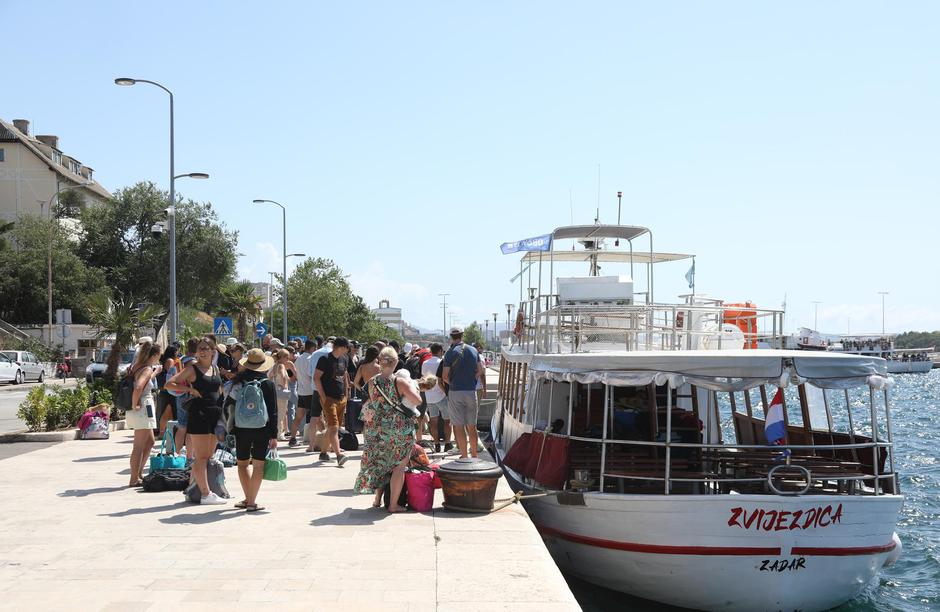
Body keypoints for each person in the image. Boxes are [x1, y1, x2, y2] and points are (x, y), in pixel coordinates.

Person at [354, 346, 422, 512]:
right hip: (399, 429)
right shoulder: (400, 382)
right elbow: (418, 400)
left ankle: (377, 499)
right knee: (398, 466)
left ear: (379, 361)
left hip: (376, 429)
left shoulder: (371, 382)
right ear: (396, 362)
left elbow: (372, 403)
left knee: (381, 463)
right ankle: (393, 505)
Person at [165, 337, 226, 505]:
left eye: (206, 348)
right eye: (200, 348)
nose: (203, 351)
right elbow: (169, 384)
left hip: (215, 414)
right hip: (199, 414)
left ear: (213, 351)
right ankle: (206, 494)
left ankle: (196, 490)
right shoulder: (192, 369)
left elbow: (218, 389)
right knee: (200, 457)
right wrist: (188, 389)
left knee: (209, 456)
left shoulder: (215, 369)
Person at [226, 348, 279, 512]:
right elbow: (273, 411)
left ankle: (248, 498)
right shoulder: (268, 384)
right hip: (262, 428)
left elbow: (229, 408)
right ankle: (251, 502)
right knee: (258, 466)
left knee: (242, 464)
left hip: (241, 428)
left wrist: (230, 429)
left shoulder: (238, 383)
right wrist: (274, 435)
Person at [442, 327, 484, 459]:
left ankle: (464, 456)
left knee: (459, 426)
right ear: (462, 335)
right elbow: (481, 370)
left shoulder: (449, 353)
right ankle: (475, 455)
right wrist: (472, 380)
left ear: (451, 336)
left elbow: (444, 376)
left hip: (455, 392)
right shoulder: (473, 350)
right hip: (471, 392)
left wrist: (453, 383)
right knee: (472, 426)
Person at [125, 341, 162, 487]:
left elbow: (143, 382)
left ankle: (138, 473)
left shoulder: (138, 366)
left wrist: (154, 373)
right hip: (143, 407)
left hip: (141, 407)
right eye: (159, 355)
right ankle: (134, 478)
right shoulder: (146, 368)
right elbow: (139, 386)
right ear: (153, 355)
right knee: (139, 445)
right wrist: (135, 404)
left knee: (150, 441)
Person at [313, 337, 351, 466]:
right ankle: (339, 455)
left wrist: (347, 392)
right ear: (341, 347)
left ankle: (323, 453)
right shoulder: (325, 360)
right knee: (334, 427)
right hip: (328, 398)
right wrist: (323, 396)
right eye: (347, 347)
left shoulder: (344, 359)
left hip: (341, 398)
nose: (348, 349)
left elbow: (345, 375)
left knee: (332, 427)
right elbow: (316, 378)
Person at [423, 343, 452, 453]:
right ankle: (448, 443)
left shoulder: (425, 363)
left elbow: (424, 378)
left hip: (429, 396)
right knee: (447, 420)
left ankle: (436, 444)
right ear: (440, 351)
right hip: (441, 395)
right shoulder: (442, 362)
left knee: (433, 421)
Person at [289, 339, 317, 447]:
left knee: (299, 416)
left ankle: (292, 438)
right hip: (310, 391)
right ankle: (312, 441)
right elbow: (311, 375)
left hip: (301, 391)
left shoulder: (298, 359)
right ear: (313, 348)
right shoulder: (311, 359)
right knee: (315, 417)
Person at [155, 345, 179, 437]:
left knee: (167, 412)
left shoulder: (165, 360)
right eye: (177, 351)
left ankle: (167, 434)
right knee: (167, 412)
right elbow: (171, 375)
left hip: (164, 390)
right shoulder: (170, 361)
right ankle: (162, 433)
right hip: (169, 390)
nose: (178, 353)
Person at [268, 348, 291, 439]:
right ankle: (278, 434)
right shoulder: (281, 365)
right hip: (281, 393)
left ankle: (274, 433)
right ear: (283, 357)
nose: (288, 360)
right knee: (281, 414)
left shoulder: (274, 366)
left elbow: (269, 377)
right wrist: (284, 385)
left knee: (275, 413)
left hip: (274, 392)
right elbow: (283, 375)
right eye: (287, 358)